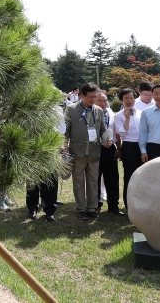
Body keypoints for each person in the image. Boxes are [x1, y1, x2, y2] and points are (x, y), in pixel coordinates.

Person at [63, 83, 106, 220]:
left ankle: (92, 208)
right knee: (79, 181)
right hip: (78, 151)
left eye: (95, 96)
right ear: (82, 95)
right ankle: (81, 208)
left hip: (94, 152)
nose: (93, 99)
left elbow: (103, 130)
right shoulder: (71, 109)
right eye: (90, 97)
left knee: (93, 181)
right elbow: (66, 131)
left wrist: (107, 140)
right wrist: (65, 147)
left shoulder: (99, 110)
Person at [95, 91, 123, 215]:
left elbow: (117, 133)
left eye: (105, 100)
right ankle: (95, 204)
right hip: (95, 150)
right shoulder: (90, 114)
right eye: (100, 100)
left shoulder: (112, 114)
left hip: (111, 149)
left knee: (112, 178)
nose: (103, 103)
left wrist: (119, 148)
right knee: (95, 178)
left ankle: (113, 206)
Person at [115, 88, 142, 209]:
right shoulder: (118, 116)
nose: (130, 100)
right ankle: (128, 204)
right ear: (122, 100)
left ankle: (142, 201)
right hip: (129, 147)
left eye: (131, 97)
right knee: (129, 175)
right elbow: (123, 133)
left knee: (142, 174)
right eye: (126, 98)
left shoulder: (141, 113)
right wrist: (127, 118)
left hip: (141, 146)